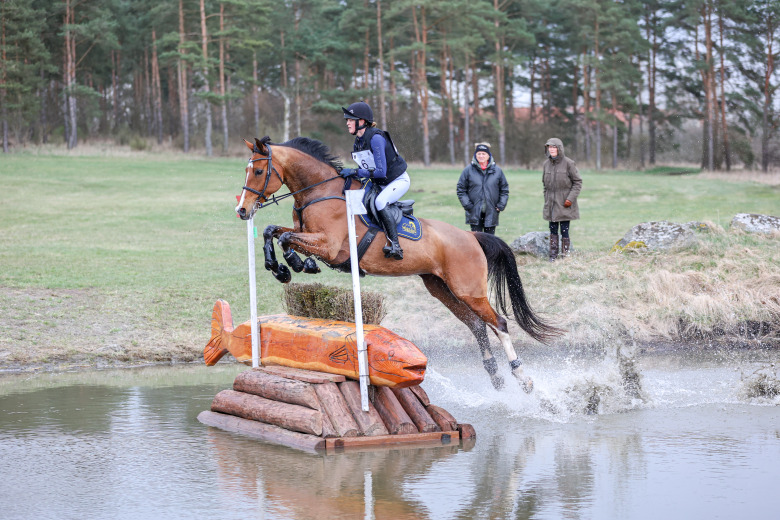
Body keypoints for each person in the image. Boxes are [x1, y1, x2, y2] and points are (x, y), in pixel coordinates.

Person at [338, 101, 409, 260]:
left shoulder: (376, 138)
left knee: (380, 202)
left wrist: (355, 171)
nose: (347, 123)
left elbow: (380, 171)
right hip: (380, 182)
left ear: (361, 121)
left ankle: (395, 245)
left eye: (350, 119)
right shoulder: (359, 141)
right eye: (347, 120)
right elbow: (367, 167)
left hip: (397, 180)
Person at [542, 137, 582, 261]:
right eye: (550, 147)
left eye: (554, 147)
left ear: (559, 148)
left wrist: (569, 199)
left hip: (565, 204)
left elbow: (577, 182)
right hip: (551, 204)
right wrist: (547, 198)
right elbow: (545, 184)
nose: (552, 149)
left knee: (564, 230)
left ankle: (565, 256)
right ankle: (553, 256)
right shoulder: (546, 164)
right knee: (552, 230)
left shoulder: (569, 163)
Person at [456, 143, 509, 235]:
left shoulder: (497, 171)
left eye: (483, 154)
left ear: (488, 155)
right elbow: (461, 189)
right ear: (475, 155)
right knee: (477, 240)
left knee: (490, 241)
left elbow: (504, 189)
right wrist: (468, 205)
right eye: (479, 153)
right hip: (474, 212)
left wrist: (501, 205)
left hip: (492, 211)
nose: (481, 156)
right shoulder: (468, 170)